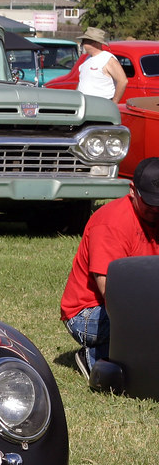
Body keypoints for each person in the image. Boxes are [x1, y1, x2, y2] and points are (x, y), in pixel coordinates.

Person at [60, 157, 159, 380]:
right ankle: (96, 357)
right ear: (132, 190)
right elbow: (112, 294)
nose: (155, 209)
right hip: (88, 312)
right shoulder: (111, 223)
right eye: (150, 202)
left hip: (143, 301)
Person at [75, 27, 128, 104]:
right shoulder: (87, 59)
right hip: (84, 103)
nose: (82, 44)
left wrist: (114, 103)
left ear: (94, 42)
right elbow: (83, 82)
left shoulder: (107, 58)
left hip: (101, 104)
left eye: (84, 41)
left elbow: (123, 81)